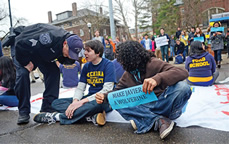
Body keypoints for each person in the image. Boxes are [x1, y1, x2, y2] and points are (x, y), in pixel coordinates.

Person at [95, 41, 192, 140]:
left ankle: (145, 119)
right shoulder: (128, 74)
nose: (121, 62)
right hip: (147, 106)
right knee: (116, 100)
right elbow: (117, 92)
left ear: (132, 57)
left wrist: (157, 79)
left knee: (183, 87)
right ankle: (159, 120)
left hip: (165, 104)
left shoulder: (152, 63)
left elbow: (183, 72)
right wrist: (105, 96)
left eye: (123, 59)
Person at [13, 23, 83, 124]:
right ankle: (23, 111)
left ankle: (48, 108)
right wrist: (26, 62)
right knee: (23, 74)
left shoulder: (70, 43)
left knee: (53, 72)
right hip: (22, 49)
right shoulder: (48, 37)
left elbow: (64, 58)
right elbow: (20, 43)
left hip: (41, 53)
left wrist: (68, 58)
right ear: (64, 43)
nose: (70, 55)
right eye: (69, 52)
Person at [33, 40, 115, 126]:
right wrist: (75, 102)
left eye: (88, 51)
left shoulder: (108, 65)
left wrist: (81, 102)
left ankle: (56, 117)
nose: (85, 53)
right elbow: (80, 88)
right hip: (89, 98)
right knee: (55, 103)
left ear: (98, 53)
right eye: (84, 50)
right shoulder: (86, 66)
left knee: (92, 105)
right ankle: (89, 117)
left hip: (103, 100)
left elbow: (107, 89)